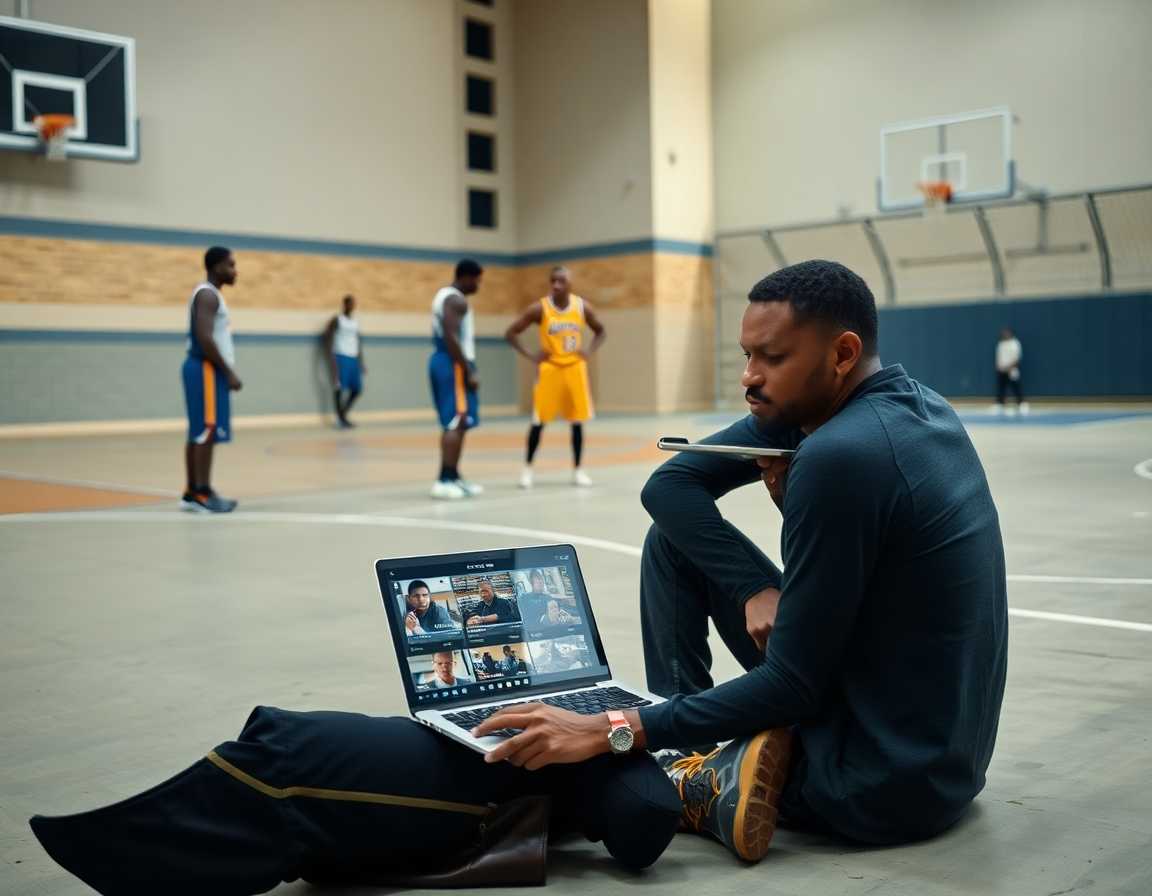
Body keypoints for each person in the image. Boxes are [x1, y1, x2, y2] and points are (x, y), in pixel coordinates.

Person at [467, 259, 1009, 864]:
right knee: (673, 541)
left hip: (869, 786)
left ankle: (693, 778)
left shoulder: (839, 455)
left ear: (843, 353)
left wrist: (610, 729)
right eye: (746, 356)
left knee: (592, 772)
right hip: (946, 767)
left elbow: (792, 688)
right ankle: (690, 761)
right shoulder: (917, 408)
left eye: (772, 358)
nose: (750, 378)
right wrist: (753, 587)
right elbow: (670, 487)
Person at [505, 266, 606, 489]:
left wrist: (588, 351)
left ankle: (578, 470)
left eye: (560, 281)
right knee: (538, 421)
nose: (556, 285)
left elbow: (601, 330)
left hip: (574, 369)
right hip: (550, 368)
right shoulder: (540, 308)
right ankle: (527, 469)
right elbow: (511, 332)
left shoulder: (582, 307)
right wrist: (531, 355)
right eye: (552, 281)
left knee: (577, 422)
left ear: (570, 283)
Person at [179, 246, 242, 514]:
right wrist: (228, 372)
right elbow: (205, 338)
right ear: (217, 267)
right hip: (206, 368)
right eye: (231, 265)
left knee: (201, 431)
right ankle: (201, 494)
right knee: (206, 432)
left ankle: (195, 490)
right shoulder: (207, 294)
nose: (234, 271)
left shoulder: (209, 293)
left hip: (205, 368)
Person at [429, 259, 485, 500]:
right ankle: (443, 480)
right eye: (477, 280)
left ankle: (453, 476)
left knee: (458, 422)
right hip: (452, 362)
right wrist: (468, 371)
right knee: (456, 421)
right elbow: (452, 337)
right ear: (465, 276)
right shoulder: (455, 299)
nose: (478, 285)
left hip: (447, 360)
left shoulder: (444, 295)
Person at [324, 294, 366, 428]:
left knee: (357, 389)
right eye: (350, 303)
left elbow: (357, 341)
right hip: (341, 356)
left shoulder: (355, 321)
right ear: (345, 304)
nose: (353, 306)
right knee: (339, 388)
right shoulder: (337, 319)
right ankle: (340, 418)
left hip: (353, 356)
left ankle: (343, 414)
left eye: (354, 304)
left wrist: (361, 361)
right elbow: (328, 339)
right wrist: (332, 360)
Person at [993, 326, 1028, 415]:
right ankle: (999, 404)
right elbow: (999, 357)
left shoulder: (1015, 343)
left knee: (1015, 386)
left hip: (1011, 370)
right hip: (1002, 370)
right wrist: (998, 366)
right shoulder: (1001, 344)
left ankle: (1021, 403)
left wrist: (1010, 367)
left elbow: (1017, 357)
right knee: (1001, 387)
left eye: (1007, 333)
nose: (1005, 334)